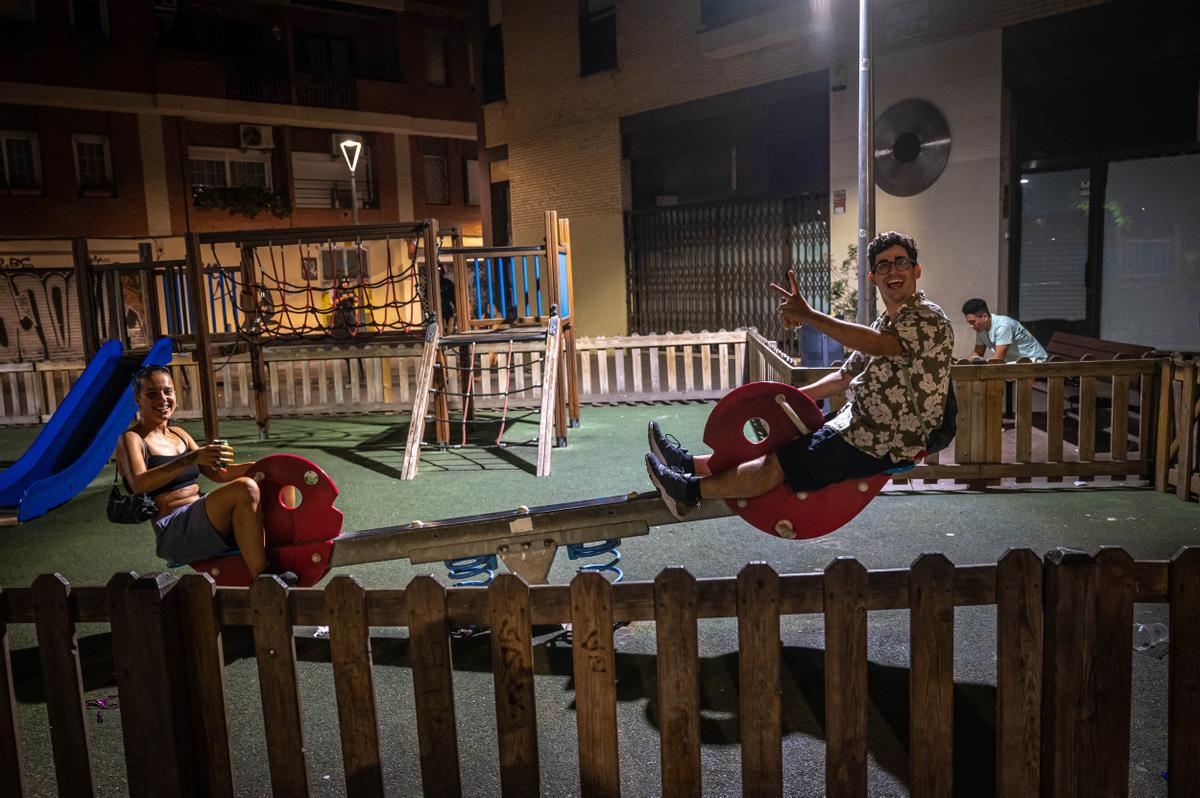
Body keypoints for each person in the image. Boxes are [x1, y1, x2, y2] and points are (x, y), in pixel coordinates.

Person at [645, 230, 954, 519]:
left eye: (901, 262)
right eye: (883, 266)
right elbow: (846, 375)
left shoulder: (926, 317)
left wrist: (809, 316)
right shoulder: (883, 322)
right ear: (873, 277)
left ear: (916, 270)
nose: (893, 271)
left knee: (780, 464)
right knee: (783, 435)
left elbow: (882, 346)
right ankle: (689, 465)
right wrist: (793, 399)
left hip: (886, 441)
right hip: (860, 425)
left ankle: (687, 492)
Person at [115, 365, 296, 583]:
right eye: (152, 394)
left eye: (168, 391)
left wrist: (264, 466)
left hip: (203, 516)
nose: (162, 399)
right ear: (138, 399)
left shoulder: (179, 434)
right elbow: (139, 484)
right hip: (174, 530)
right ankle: (264, 579)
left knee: (279, 471)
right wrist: (192, 458)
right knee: (245, 488)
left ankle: (287, 548)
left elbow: (218, 474)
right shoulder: (132, 439)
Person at [961, 298, 1047, 363]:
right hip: (1016, 363)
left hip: (1035, 362)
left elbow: (998, 359)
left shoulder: (1003, 325)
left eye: (973, 322)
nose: (971, 326)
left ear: (985, 316)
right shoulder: (981, 329)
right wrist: (962, 362)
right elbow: (978, 353)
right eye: (969, 323)